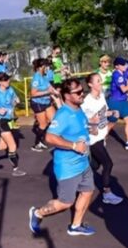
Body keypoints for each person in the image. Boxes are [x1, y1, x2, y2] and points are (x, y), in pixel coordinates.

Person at [29, 78, 96, 236]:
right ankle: (38, 213)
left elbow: (79, 129)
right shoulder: (63, 114)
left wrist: (91, 127)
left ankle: (76, 226)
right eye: (78, 92)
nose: (82, 94)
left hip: (83, 163)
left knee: (87, 191)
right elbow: (50, 137)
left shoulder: (78, 109)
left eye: (82, 91)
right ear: (66, 95)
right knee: (66, 203)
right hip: (68, 168)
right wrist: (73, 146)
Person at [81, 73, 122, 205]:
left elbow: (103, 112)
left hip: (101, 136)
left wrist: (112, 112)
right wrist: (92, 120)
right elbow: (85, 119)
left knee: (95, 165)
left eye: (101, 81)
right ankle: (107, 193)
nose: (101, 83)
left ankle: (80, 179)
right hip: (92, 138)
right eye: (98, 81)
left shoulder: (101, 97)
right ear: (90, 84)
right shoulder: (87, 101)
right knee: (108, 164)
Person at [109, 57, 128, 150]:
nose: (125, 66)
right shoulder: (116, 75)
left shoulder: (124, 72)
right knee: (111, 123)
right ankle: (100, 139)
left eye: (125, 64)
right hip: (115, 102)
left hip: (124, 101)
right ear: (117, 66)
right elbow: (123, 89)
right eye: (123, 65)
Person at [30, 58, 56, 152]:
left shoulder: (44, 76)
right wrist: (47, 92)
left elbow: (50, 87)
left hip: (46, 102)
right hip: (38, 103)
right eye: (45, 66)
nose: (47, 68)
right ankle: (37, 144)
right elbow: (33, 93)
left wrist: (56, 92)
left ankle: (54, 139)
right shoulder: (36, 77)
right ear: (41, 67)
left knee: (55, 121)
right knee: (43, 124)